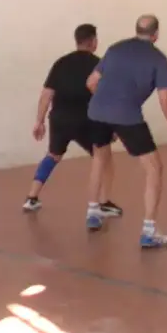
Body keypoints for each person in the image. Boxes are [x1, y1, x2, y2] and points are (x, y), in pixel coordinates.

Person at [85, 14, 167, 247]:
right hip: (127, 115)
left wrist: (107, 105)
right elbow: (165, 100)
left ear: (136, 29)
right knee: (154, 168)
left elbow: (91, 82)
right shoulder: (158, 58)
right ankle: (149, 231)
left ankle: (93, 212)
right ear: (156, 34)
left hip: (96, 111)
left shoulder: (115, 49)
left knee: (99, 158)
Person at [23, 23, 122, 223]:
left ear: (77, 41)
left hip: (60, 119)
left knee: (53, 155)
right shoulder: (99, 65)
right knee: (103, 158)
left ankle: (32, 198)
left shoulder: (61, 63)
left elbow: (46, 94)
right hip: (88, 121)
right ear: (93, 41)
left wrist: (39, 121)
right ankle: (103, 203)